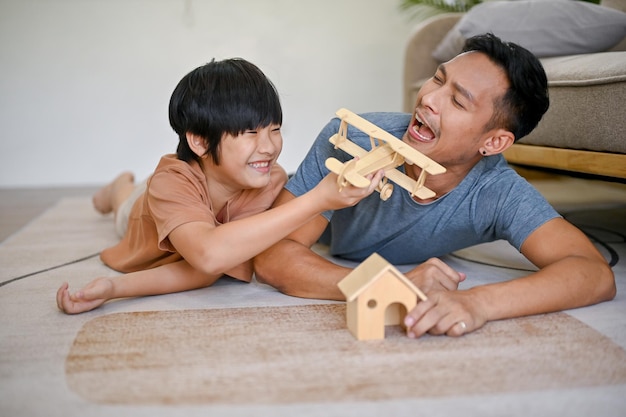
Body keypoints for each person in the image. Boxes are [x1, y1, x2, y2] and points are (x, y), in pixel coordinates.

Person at [254, 34, 616, 338]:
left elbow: (593, 274)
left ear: (493, 143)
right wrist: (388, 282)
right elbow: (272, 257)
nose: (428, 99)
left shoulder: (497, 191)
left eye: (457, 101)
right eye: (438, 79)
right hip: (330, 238)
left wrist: (477, 303)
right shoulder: (354, 137)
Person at [56, 58, 383, 314]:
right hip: (147, 210)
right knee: (124, 205)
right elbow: (209, 254)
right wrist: (318, 199)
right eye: (250, 133)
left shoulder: (269, 182)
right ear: (199, 141)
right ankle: (117, 188)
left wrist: (115, 289)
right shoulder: (171, 181)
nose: (268, 147)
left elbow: (205, 269)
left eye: (275, 129)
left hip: (197, 222)